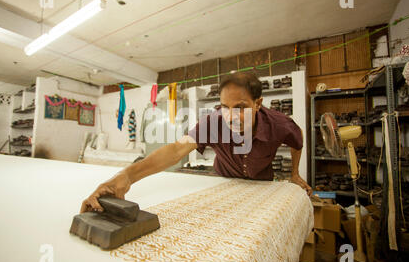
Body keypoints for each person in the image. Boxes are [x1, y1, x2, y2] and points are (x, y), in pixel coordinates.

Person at [80, 72, 312, 213]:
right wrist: (126, 176)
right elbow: (176, 150)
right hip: (224, 182)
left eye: (240, 107)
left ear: (258, 104)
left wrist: (294, 174)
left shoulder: (279, 124)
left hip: (262, 184)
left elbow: (297, 139)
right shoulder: (213, 122)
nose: (230, 116)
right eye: (224, 107)